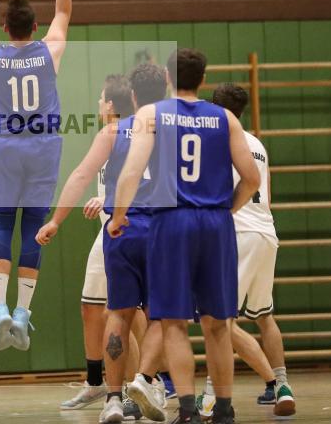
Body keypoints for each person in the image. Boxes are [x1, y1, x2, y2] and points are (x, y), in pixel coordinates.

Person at [110, 49, 261, 424]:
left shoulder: (152, 114)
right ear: (203, 79)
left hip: (172, 222)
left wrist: (118, 216)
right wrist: (225, 210)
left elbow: (131, 172)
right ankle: (224, 409)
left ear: (167, 76)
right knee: (218, 323)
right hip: (215, 222)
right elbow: (252, 179)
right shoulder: (225, 118)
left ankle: (189, 411)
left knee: (175, 323)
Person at [37, 64, 168, 424]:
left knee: (119, 313)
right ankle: (149, 382)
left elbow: (80, 174)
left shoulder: (115, 131)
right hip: (162, 230)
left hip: (121, 228)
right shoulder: (173, 130)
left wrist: (55, 220)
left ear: (132, 98)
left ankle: (113, 397)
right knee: (161, 315)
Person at [0, 0, 84, 352]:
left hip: (7, 146)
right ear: (35, 29)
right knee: (34, 228)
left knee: (2, 224)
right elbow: (64, 11)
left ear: (6, 28)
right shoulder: (49, 51)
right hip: (44, 148)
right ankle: (21, 315)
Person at [195, 83, 296, 418]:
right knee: (264, 316)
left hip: (237, 233)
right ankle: (281, 384)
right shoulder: (257, 143)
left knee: (218, 321)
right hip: (267, 233)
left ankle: (212, 395)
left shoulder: (220, 139)